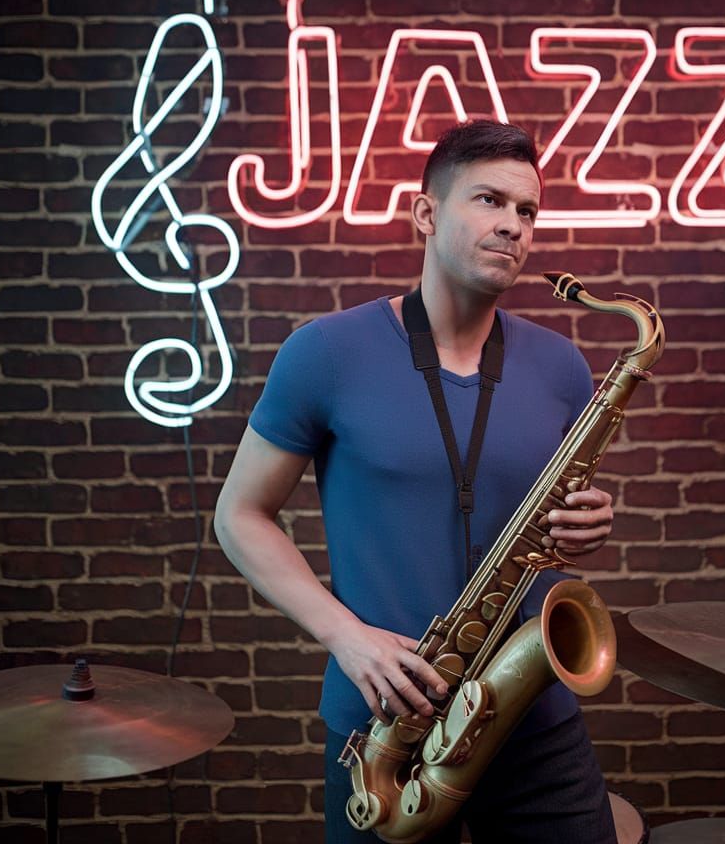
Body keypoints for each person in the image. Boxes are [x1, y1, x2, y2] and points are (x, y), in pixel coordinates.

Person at [215, 119, 618, 843]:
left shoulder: (563, 368)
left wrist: (586, 518)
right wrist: (347, 637)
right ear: (425, 213)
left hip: (533, 721)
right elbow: (239, 515)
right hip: (386, 728)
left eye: (527, 210)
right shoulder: (324, 352)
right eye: (489, 200)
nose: (514, 226)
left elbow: (544, 515)